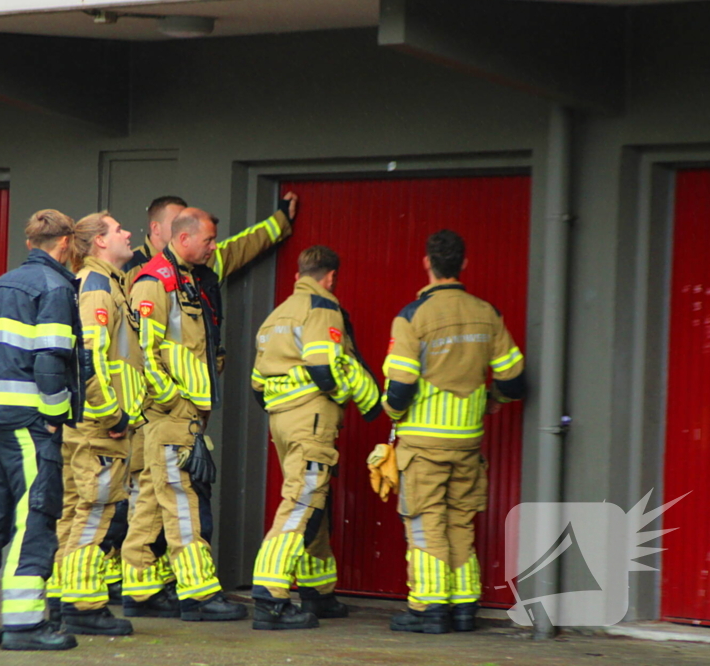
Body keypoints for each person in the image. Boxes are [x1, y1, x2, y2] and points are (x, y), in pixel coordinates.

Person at [120, 194, 298, 617]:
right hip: (171, 411)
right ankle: (199, 594)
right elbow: (143, 353)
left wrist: (279, 221)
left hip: (184, 410)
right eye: (209, 241)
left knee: (152, 498)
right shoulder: (155, 281)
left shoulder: (192, 275)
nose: (215, 247)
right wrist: (172, 399)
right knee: (182, 499)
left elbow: (238, 249)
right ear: (183, 238)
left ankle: (140, 589)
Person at [384, 229, 526, 635]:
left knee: (425, 521)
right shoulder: (487, 314)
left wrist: (391, 412)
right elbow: (514, 380)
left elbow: (400, 387)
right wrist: (493, 400)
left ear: (427, 263)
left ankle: (429, 608)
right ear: (463, 263)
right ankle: (464, 607)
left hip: (423, 444)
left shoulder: (412, 316)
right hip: (467, 441)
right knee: (460, 521)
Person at [0, 209, 85, 651]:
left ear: (31, 242)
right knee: (34, 518)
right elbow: (51, 359)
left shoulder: (1, 284)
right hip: (30, 426)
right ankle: (25, 623)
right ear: (65, 243)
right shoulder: (55, 287)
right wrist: (53, 414)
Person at [248, 245, 380, 630]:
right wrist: (345, 395)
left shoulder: (275, 315)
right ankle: (270, 595)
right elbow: (324, 368)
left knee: (313, 498)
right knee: (303, 500)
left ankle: (317, 591)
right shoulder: (321, 308)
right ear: (330, 277)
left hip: (281, 418)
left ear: (298, 275)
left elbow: (257, 384)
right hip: (311, 416)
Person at [54, 212, 147, 636]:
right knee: (95, 510)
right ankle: (82, 604)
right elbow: (88, 359)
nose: (128, 233)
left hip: (89, 422)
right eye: (118, 229)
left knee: (75, 510)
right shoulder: (96, 287)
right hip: (100, 425)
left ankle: (61, 595)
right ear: (100, 242)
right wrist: (113, 415)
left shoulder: (105, 283)